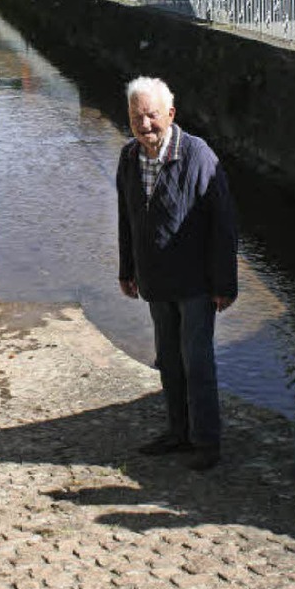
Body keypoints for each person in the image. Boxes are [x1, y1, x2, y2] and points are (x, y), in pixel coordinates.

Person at [116, 77, 238, 470]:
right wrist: (127, 269)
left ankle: (207, 442)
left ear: (170, 114)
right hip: (156, 280)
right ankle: (177, 433)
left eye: (151, 115)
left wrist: (224, 284)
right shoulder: (129, 157)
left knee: (196, 360)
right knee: (168, 359)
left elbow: (224, 224)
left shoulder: (198, 155)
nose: (145, 124)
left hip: (196, 283)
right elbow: (127, 219)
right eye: (137, 117)